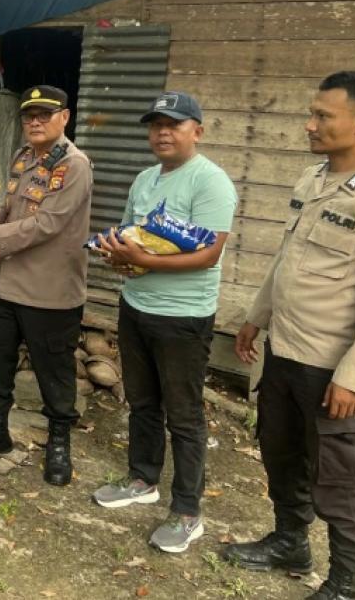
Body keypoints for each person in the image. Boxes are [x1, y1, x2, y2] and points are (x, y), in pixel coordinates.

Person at [221, 72, 355, 600]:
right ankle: (290, 543)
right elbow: (287, 260)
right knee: (281, 454)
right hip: (285, 352)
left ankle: (348, 584)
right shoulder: (312, 180)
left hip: (334, 366)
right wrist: (255, 316)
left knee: (340, 479)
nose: (309, 124)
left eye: (323, 116)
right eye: (312, 113)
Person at [90, 91, 237, 553]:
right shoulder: (144, 179)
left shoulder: (210, 182)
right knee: (142, 400)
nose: (162, 132)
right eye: (155, 125)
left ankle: (188, 512)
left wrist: (141, 260)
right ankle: (142, 478)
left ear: (198, 130)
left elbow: (210, 253)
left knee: (185, 414)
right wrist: (120, 258)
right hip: (136, 306)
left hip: (184, 317)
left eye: (173, 124)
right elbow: (131, 236)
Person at [0, 86, 92, 486]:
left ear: (64, 118)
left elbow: (48, 223)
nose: (34, 121)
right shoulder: (24, 157)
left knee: (54, 372)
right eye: (29, 115)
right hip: (6, 286)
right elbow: (11, 207)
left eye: (44, 115)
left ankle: (58, 443)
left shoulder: (74, 166)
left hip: (50, 292)